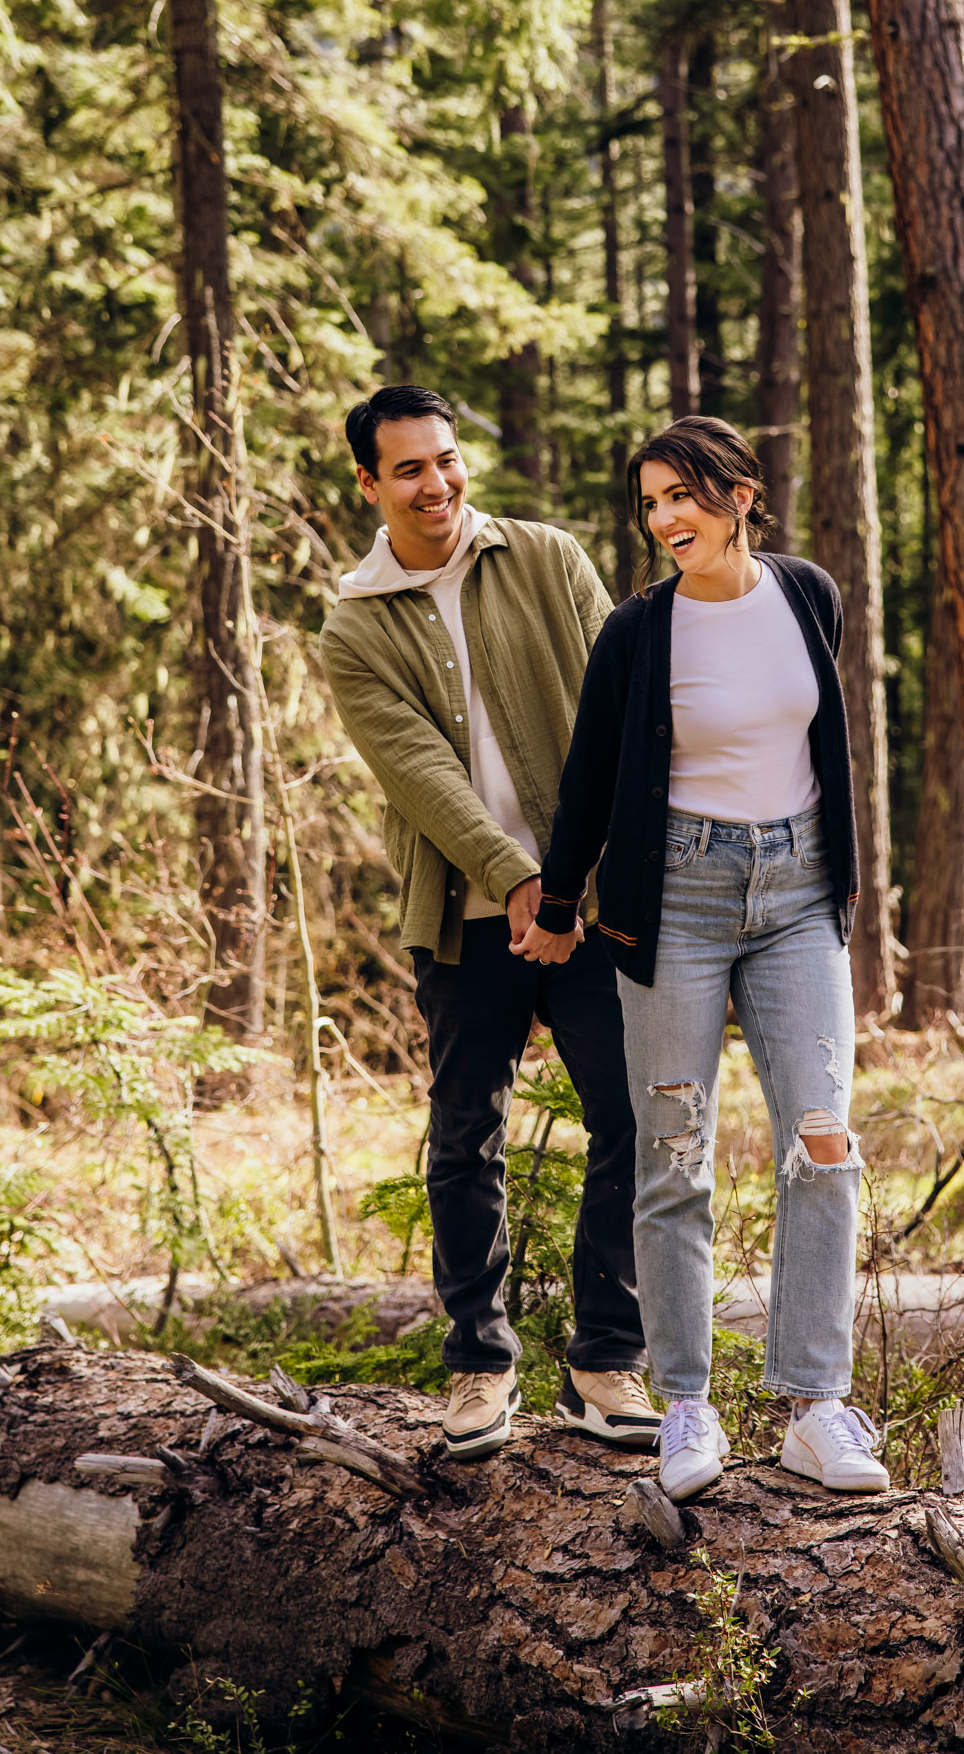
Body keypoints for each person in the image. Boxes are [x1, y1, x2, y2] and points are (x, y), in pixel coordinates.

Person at [534, 415, 887, 1502]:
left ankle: (814, 1407)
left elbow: (823, 745)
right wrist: (556, 901)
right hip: (672, 900)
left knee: (823, 1143)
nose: (662, 518)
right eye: (648, 502)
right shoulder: (639, 631)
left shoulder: (806, 594)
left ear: (738, 494)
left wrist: (841, 888)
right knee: (674, 1150)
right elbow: (592, 772)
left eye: (679, 494)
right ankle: (685, 1402)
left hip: (794, 897)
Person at [319, 384, 659, 1462]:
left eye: (448, 459)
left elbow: (624, 700)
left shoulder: (549, 557)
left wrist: (572, 887)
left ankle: (606, 1363)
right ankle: (479, 1363)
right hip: (466, 920)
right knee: (465, 1135)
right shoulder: (354, 622)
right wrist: (522, 883)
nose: (438, 484)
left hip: (594, 907)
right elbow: (417, 769)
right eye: (409, 468)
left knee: (636, 1117)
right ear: (368, 483)